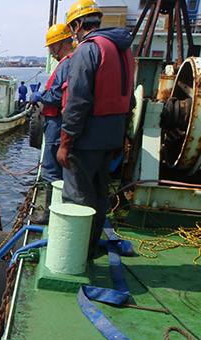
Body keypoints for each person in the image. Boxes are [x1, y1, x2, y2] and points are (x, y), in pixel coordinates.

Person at [57, 0, 135, 259]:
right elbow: (130, 100)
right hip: (112, 136)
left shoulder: (87, 50)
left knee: (76, 194)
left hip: (87, 138)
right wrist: (123, 136)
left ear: (78, 25)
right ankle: (89, 249)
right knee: (100, 193)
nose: (73, 34)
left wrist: (65, 143)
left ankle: (73, 256)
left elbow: (77, 101)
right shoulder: (124, 51)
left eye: (72, 29)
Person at [29, 23, 74, 224]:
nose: (49, 51)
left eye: (50, 47)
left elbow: (58, 95)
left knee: (51, 168)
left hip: (57, 122)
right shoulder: (71, 61)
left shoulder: (66, 63)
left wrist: (41, 95)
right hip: (57, 121)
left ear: (58, 44)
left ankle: (50, 213)